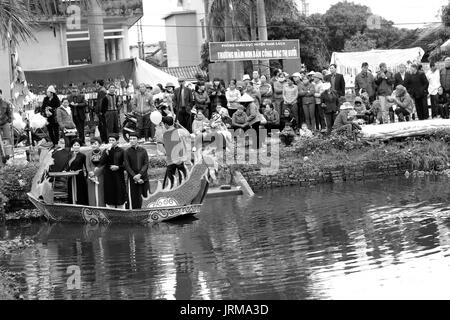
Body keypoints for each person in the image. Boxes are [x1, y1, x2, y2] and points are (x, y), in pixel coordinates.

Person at [99, 133, 127, 209]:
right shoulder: (106, 150)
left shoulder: (122, 151)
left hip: (118, 175)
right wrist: (106, 153)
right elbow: (101, 162)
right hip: (108, 175)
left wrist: (118, 167)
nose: (111, 142)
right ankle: (110, 210)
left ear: (117, 141)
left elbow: (126, 165)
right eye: (110, 140)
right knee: (109, 191)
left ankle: (121, 209)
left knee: (119, 191)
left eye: (113, 140)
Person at [124, 133, 150, 209]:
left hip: (143, 177)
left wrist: (140, 174)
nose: (131, 141)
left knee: (145, 196)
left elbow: (146, 164)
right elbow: (127, 166)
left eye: (134, 139)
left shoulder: (143, 151)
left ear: (138, 139)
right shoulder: (127, 152)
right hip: (132, 178)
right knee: (134, 198)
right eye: (130, 139)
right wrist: (135, 176)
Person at [161, 116, 188, 189]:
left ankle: (171, 194)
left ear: (166, 124)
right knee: (182, 179)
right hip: (179, 159)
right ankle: (184, 192)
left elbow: (164, 146)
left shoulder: (164, 134)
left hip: (170, 160)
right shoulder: (179, 131)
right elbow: (188, 134)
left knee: (171, 182)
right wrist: (179, 125)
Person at [67, 139, 89, 206]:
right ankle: (72, 203)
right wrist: (67, 171)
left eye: (78, 145)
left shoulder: (82, 156)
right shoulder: (69, 155)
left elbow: (86, 166)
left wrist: (87, 176)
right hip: (70, 175)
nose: (76, 146)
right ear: (72, 146)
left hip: (79, 175)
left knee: (80, 190)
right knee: (71, 189)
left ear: (80, 146)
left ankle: (81, 203)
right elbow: (66, 165)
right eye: (75, 145)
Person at [85, 137, 105, 207]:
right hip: (91, 176)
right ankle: (92, 207)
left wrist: (96, 172)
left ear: (99, 144)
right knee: (91, 193)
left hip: (100, 175)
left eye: (95, 144)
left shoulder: (103, 153)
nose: (93, 145)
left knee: (100, 192)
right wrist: (90, 172)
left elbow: (104, 165)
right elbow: (87, 165)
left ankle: (101, 206)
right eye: (92, 144)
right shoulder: (88, 154)